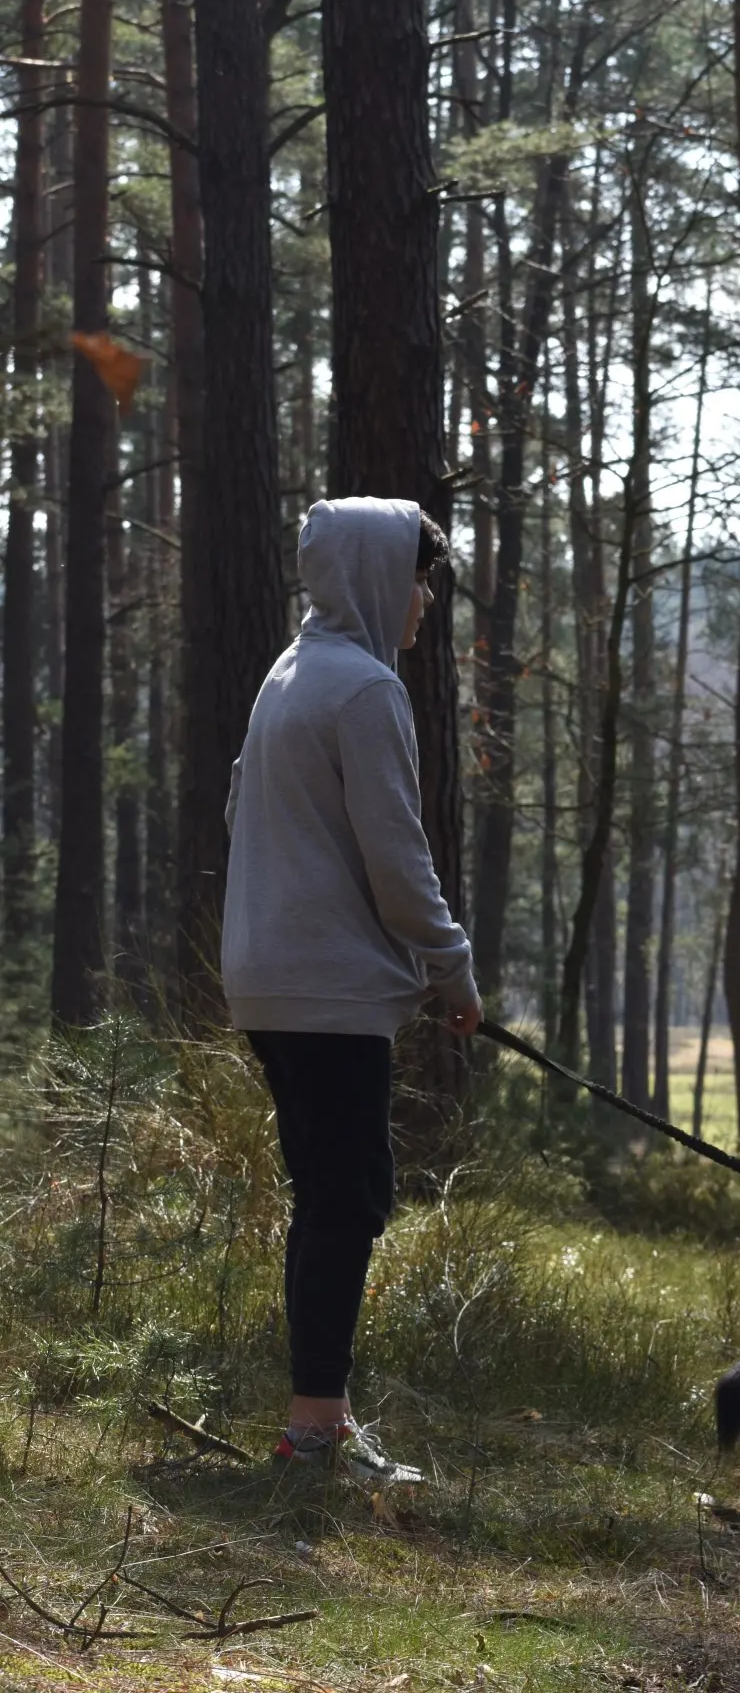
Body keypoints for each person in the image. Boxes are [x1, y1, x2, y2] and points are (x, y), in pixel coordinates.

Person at [222, 496, 481, 1483]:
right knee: (348, 1199)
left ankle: (314, 1424)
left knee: (326, 1196)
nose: (423, 600)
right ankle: (316, 1434)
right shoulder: (366, 689)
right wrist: (451, 966)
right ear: (377, 577)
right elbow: (398, 858)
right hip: (325, 991)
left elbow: (245, 808)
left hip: (271, 980)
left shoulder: (289, 671)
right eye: (416, 579)